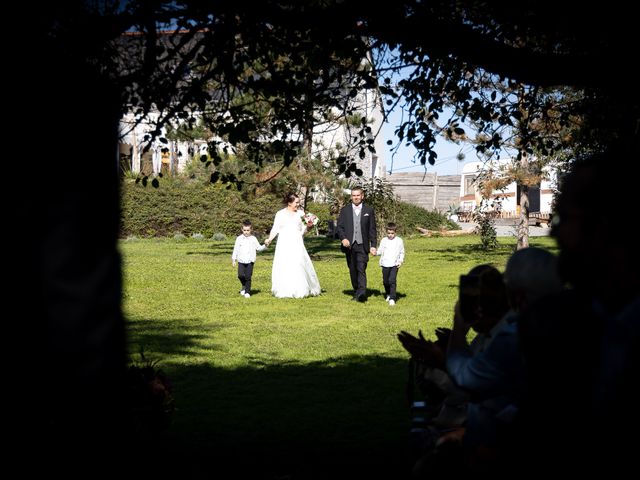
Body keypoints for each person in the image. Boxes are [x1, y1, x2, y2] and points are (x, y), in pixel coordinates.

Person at [264, 192, 321, 298]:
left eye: (298, 202)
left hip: (297, 241)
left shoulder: (301, 214)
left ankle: (301, 289)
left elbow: (303, 231)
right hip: (284, 242)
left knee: (299, 263)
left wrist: (309, 227)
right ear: (289, 203)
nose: (298, 204)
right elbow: (275, 228)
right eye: (296, 202)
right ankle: (285, 289)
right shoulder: (280, 214)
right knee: (285, 264)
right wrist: (270, 239)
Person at [336, 187, 377, 302]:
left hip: (362, 245)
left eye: (358, 195)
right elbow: (340, 227)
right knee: (352, 269)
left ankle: (361, 293)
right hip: (349, 245)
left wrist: (373, 245)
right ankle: (356, 290)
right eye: (354, 195)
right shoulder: (345, 210)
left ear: (362, 196)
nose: (356, 197)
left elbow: (372, 229)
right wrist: (343, 239)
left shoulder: (369, 210)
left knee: (361, 268)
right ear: (351, 197)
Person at [231, 220, 267, 298]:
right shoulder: (239, 239)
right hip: (241, 260)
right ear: (242, 229)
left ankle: (247, 292)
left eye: (248, 230)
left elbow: (259, 248)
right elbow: (235, 249)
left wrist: (265, 245)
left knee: (248, 276)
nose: (246, 232)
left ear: (251, 230)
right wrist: (234, 259)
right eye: (244, 230)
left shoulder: (253, 239)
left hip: (250, 261)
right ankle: (244, 285)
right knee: (240, 275)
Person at [376, 222, 405, 306]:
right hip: (385, 264)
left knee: (392, 280)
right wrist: (375, 252)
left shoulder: (399, 241)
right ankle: (388, 293)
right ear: (386, 232)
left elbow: (402, 252)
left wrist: (400, 261)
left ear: (395, 232)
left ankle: (392, 298)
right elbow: (380, 251)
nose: (390, 235)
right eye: (388, 233)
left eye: (392, 233)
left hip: (394, 264)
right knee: (386, 281)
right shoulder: (384, 240)